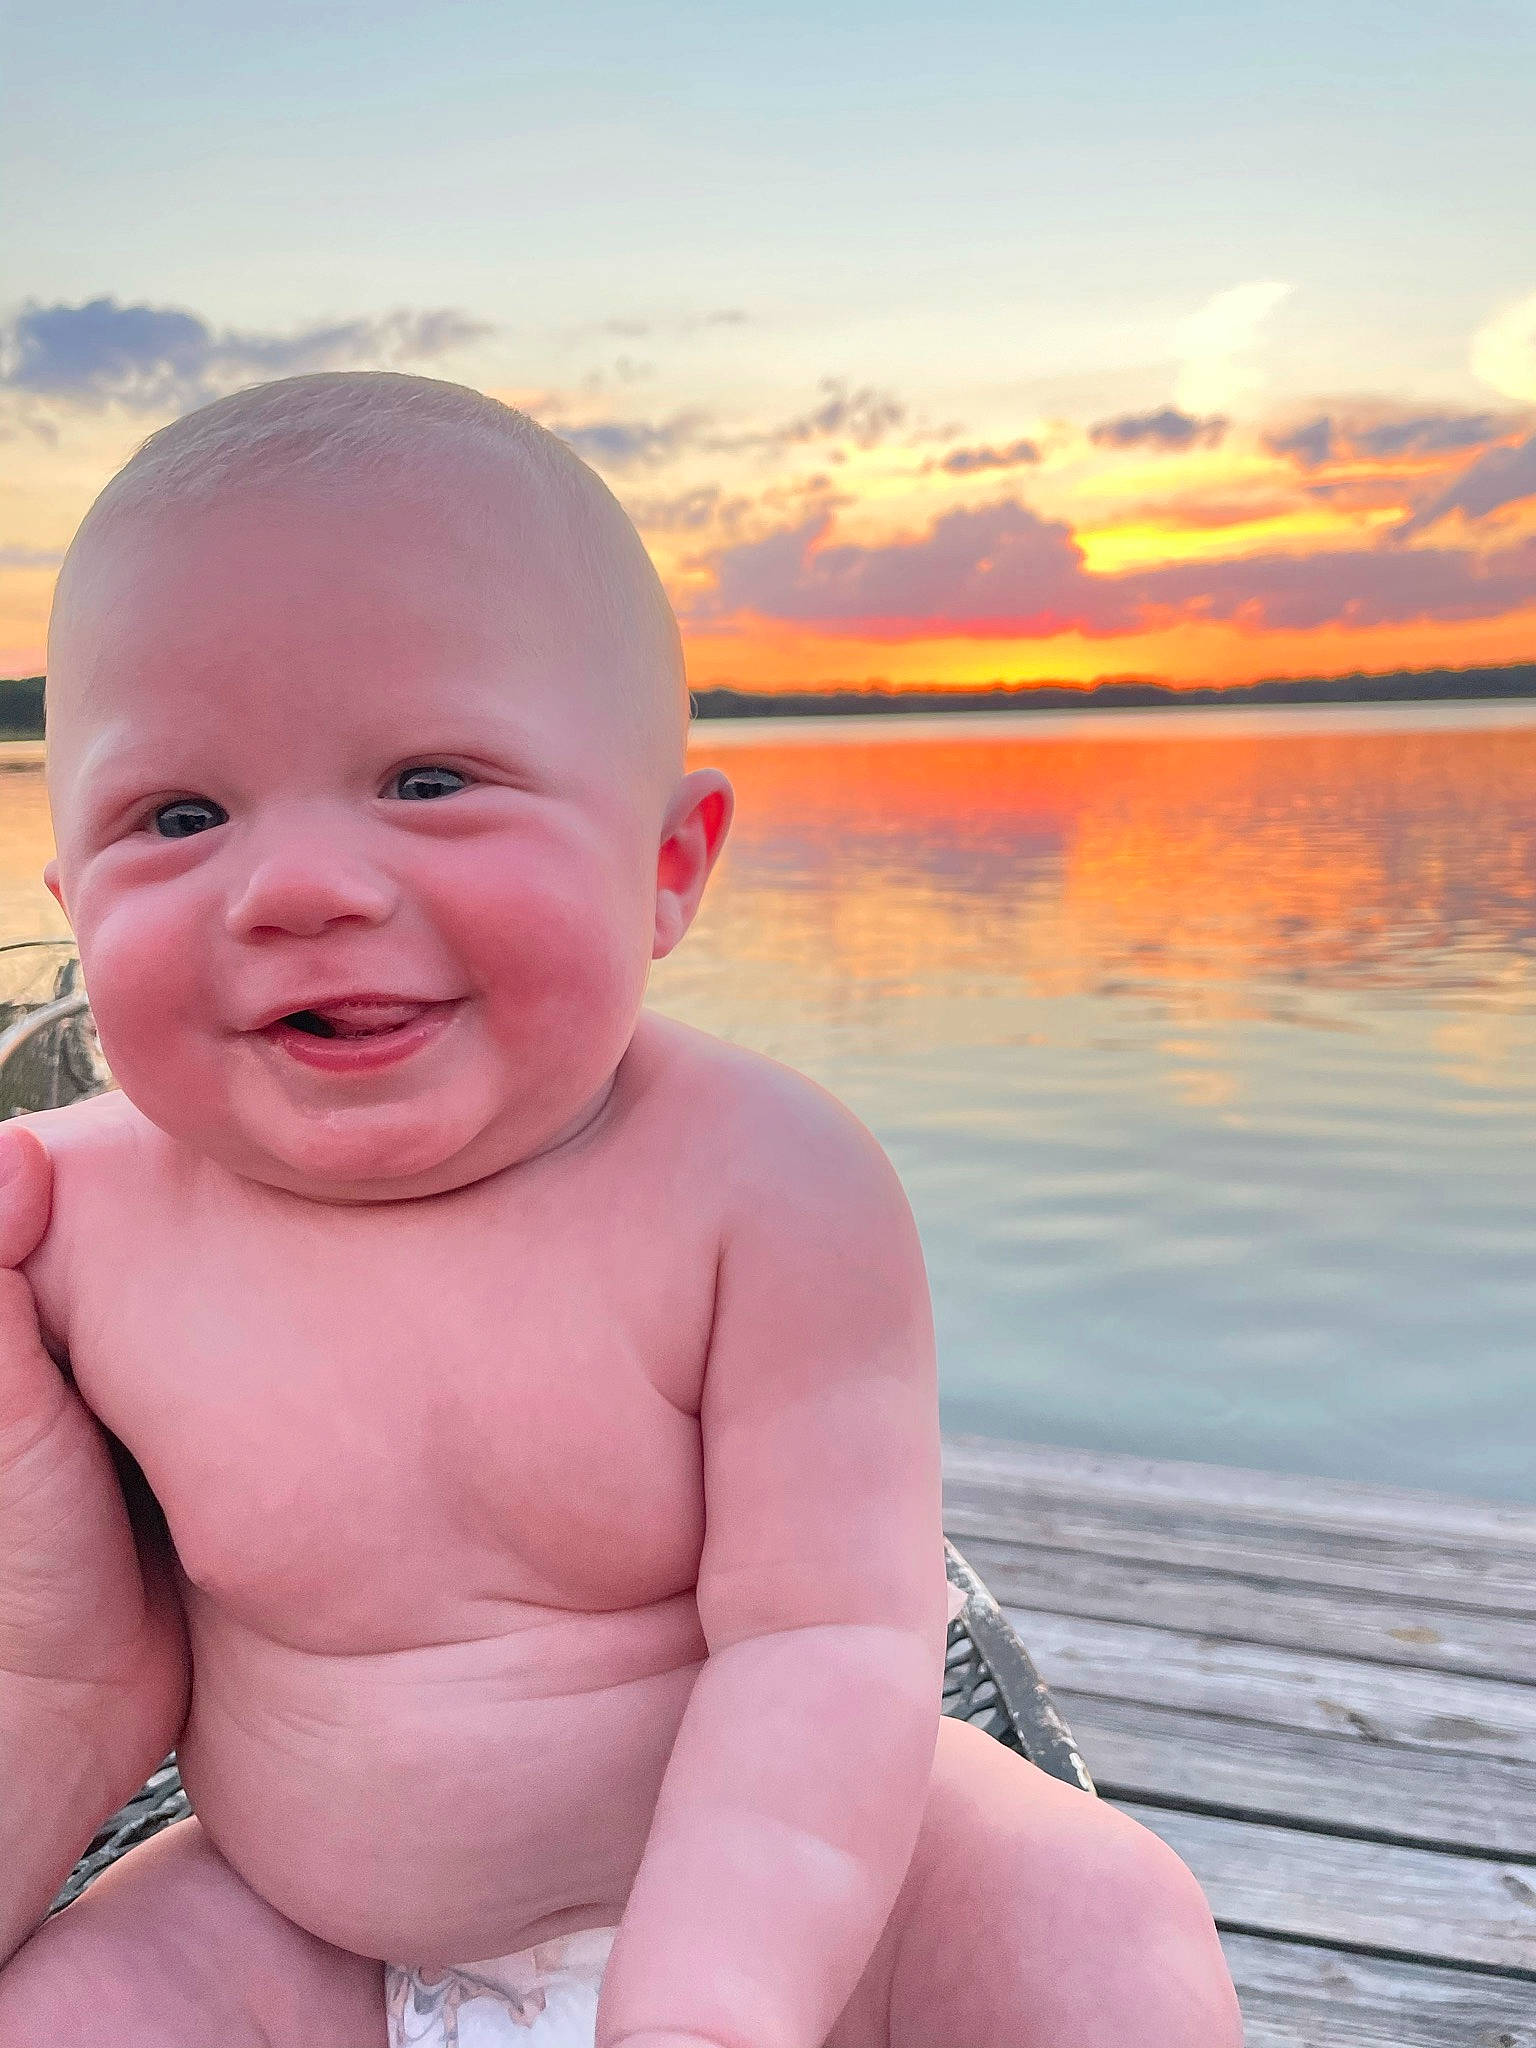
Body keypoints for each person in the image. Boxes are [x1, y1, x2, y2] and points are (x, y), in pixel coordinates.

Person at [0, 372, 1242, 2048]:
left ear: (667, 867)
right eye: (181, 817)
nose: (298, 888)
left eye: (428, 781)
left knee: (1099, 1923)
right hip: (307, 1938)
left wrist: (710, 2007)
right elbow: (45, 1665)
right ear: (75, 900)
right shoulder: (59, 1221)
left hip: (807, 1921)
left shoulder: (763, 1187)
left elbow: (826, 1640)